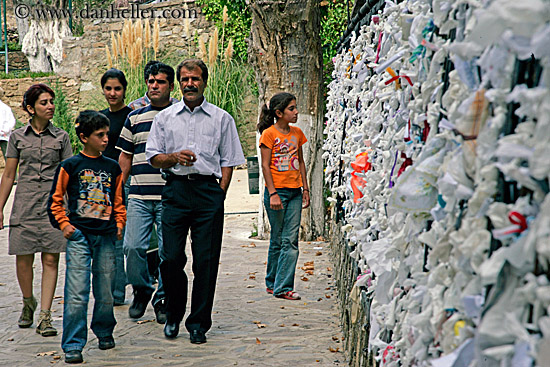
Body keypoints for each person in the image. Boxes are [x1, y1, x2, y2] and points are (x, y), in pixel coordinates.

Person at [146, 58, 245, 343]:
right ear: (179, 82)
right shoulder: (164, 118)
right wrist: (175, 157)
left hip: (207, 194)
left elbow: (229, 160)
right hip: (175, 191)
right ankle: (173, 315)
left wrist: (219, 194)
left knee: (206, 260)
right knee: (171, 259)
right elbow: (153, 157)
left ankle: (199, 323)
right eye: (185, 79)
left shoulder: (221, 118)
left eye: (196, 78)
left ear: (205, 81)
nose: (190, 83)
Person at [47, 110, 126, 364]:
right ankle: (73, 343)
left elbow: (119, 201)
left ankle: (104, 330)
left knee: (105, 291)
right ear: (83, 137)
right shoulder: (70, 166)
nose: (105, 139)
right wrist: (65, 225)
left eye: (107, 134)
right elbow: (55, 201)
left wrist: (119, 225)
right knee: (76, 292)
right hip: (79, 237)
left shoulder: (112, 168)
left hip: (106, 238)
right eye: (99, 135)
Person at [0, 84, 72, 337]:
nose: (50, 106)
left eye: (51, 101)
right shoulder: (17, 138)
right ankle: (28, 301)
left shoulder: (62, 137)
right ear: (31, 108)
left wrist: (69, 211)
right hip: (25, 204)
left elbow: (68, 176)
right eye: (44, 102)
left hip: (53, 206)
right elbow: (9, 175)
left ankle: (45, 316)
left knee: (51, 259)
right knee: (24, 258)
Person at [116, 62, 175, 323]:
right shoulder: (134, 117)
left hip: (170, 196)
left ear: (171, 86)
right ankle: (141, 289)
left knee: (168, 252)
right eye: (150, 82)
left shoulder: (180, 115)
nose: (154, 86)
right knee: (132, 246)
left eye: (160, 82)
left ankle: (162, 298)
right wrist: (119, 191)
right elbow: (125, 158)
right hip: (139, 195)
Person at [257, 92, 310, 301]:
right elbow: (265, 166)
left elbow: (301, 162)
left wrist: (305, 190)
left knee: (290, 240)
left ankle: (282, 287)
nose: (296, 112)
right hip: (276, 194)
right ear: (278, 113)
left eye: (296, 107)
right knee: (278, 240)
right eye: (291, 109)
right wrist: (273, 194)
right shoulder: (268, 135)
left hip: (295, 192)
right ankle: (273, 283)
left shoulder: (297, 133)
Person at [100, 68, 132, 306]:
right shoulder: (99, 119)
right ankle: (109, 291)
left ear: (124, 89)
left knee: (121, 239)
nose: (113, 93)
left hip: (125, 182)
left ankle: (119, 293)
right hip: (99, 184)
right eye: (108, 88)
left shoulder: (133, 117)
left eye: (117, 88)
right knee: (105, 240)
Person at [0, 86, 16, 160]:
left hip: (4, 136)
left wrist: (5, 130)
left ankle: (11, 171)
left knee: (8, 157)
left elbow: (12, 121)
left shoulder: (5, 108)